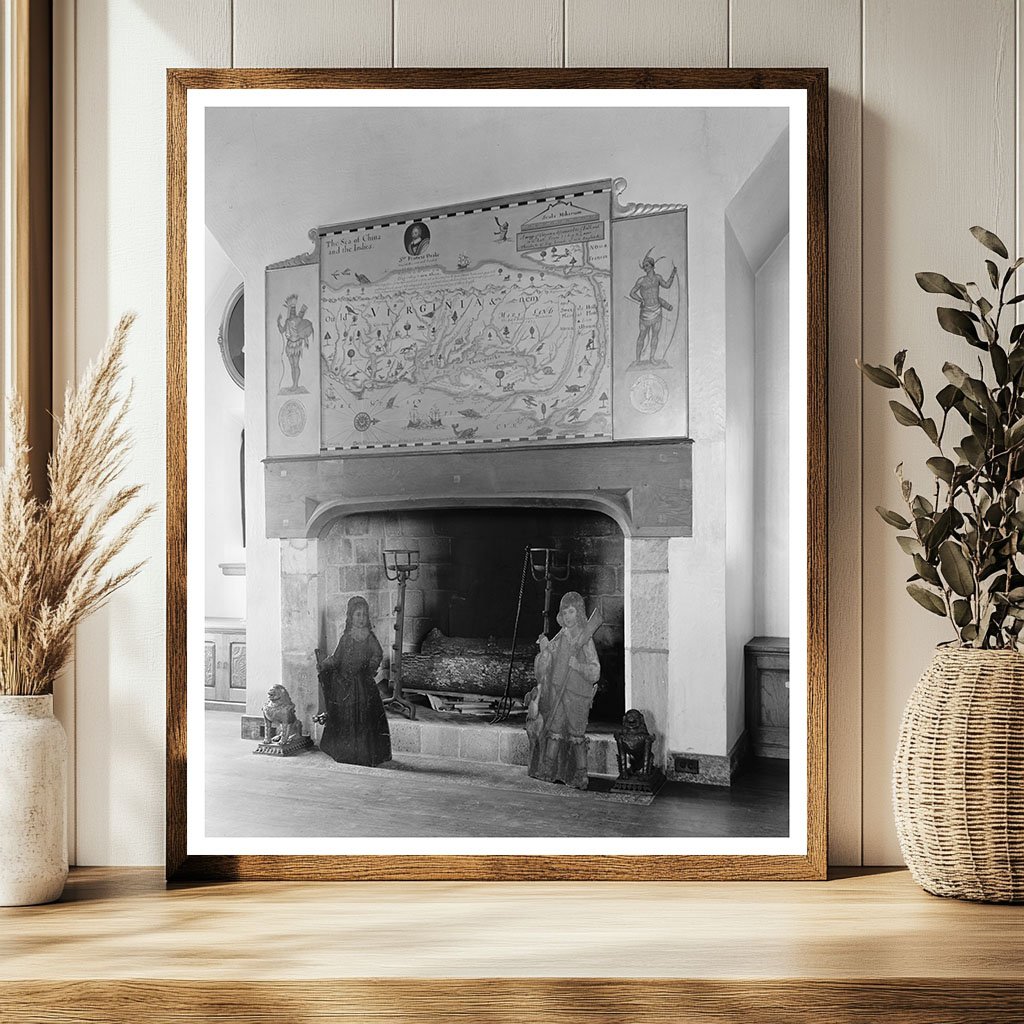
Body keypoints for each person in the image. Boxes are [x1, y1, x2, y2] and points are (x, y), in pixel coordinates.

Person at [526, 592, 601, 789]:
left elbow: (595, 671)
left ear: (579, 614)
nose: (567, 617)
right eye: (564, 612)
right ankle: (548, 769)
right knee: (555, 730)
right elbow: (550, 655)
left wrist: (578, 666)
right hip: (558, 691)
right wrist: (545, 647)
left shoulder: (585, 640)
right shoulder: (562, 635)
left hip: (577, 694)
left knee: (576, 735)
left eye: (571, 612)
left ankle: (581, 775)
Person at [316, 596, 392, 766]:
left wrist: (370, 667)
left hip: (362, 684)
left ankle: (364, 754)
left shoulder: (369, 637)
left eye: (364, 615)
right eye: (358, 615)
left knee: (364, 717)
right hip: (344, 685)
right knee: (345, 717)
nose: (361, 618)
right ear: (350, 616)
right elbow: (337, 658)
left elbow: (377, 654)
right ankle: (346, 753)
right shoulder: (346, 637)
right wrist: (325, 664)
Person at [628, 251, 677, 363]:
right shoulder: (641, 280)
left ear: (652, 266)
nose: (645, 268)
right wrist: (640, 299)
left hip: (657, 310)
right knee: (642, 335)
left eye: (647, 265)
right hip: (645, 312)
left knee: (655, 335)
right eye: (644, 266)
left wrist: (673, 274)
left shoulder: (658, 278)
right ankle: (637, 359)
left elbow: (667, 285)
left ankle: (652, 358)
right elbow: (632, 293)